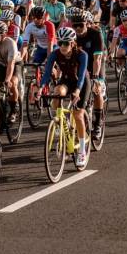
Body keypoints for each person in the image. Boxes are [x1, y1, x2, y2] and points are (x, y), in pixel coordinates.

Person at [40, 27, 91, 167]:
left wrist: (78, 91)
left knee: (78, 115)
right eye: (60, 42)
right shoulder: (55, 54)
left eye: (66, 43)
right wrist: (40, 88)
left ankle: (81, 150)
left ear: (73, 43)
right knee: (57, 92)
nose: (62, 46)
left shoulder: (82, 55)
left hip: (82, 83)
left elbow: (81, 76)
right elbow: (47, 73)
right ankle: (60, 122)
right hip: (67, 80)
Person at [69, 9, 106, 139]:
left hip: (95, 64)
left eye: (81, 25)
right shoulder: (72, 36)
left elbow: (98, 59)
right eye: (75, 25)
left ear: (87, 24)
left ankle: (98, 123)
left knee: (97, 90)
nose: (78, 28)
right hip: (81, 67)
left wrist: (95, 75)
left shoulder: (96, 34)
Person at [0, 21, 22, 123]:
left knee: (12, 83)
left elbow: (11, 64)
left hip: (15, 64)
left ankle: (14, 109)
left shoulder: (11, 43)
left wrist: (7, 80)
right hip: (1, 64)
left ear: (4, 35)